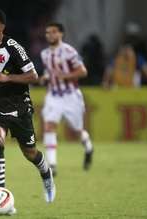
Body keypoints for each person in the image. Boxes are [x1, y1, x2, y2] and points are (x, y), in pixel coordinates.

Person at [0, 8, 56, 211]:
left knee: (30, 153)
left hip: (19, 106)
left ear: (1, 27)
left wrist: (8, 78)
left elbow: (33, 76)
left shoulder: (13, 48)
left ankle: (46, 174)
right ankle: (1, 196)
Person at [39, 23, 94, 176]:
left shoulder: (69, 51)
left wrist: (66, 76)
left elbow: (83, 71)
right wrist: (45, 78)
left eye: (53, 32)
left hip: (71, 96)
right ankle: (52, 165)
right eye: (47, 32)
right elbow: (50, 72)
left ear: (61, 34)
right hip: (53, 96)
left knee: (77, 130)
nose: (50, 35)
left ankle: (88, 147)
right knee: (49, 126)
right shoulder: (45, 54)